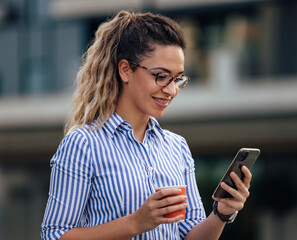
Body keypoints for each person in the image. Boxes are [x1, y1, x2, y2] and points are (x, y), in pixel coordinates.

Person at [41, 10, 252, 240]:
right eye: (161, 76)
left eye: (178, 78)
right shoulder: (83, 144)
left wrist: (222, 213)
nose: (171, 90)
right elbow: (54, 235)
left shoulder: (176, 147)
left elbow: (190, 235)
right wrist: (136, 222)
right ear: (125, 70)